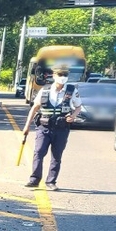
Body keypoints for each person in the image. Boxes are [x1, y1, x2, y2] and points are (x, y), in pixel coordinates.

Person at [22, 62, 83, 191]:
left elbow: (78, 107)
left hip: (61, 129)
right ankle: (34, 180)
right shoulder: (45, 90)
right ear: (54, 75)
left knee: (56, 156)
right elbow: (34, 108)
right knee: (38, 153)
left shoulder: (72, 91)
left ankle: (51, 181)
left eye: (65, 75)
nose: (63, 77)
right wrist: (27, 126)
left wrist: (73, 116)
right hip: (44, 127)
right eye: (60, 74)